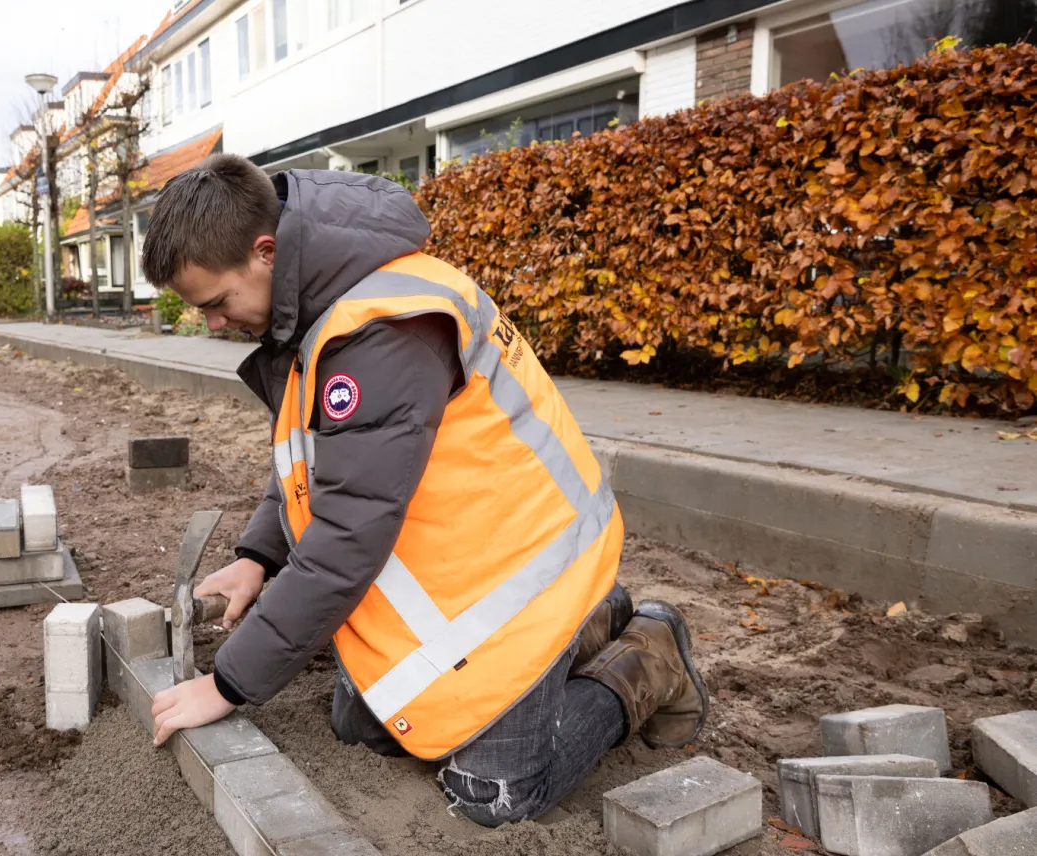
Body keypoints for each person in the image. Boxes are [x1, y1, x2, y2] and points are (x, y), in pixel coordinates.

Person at [140, 154, 708, 826]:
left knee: (492, 793)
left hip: (529, 574)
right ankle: (597, 621)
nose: (212, 324)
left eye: (216, 303)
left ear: (266, 252)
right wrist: (257, 558)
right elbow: (318, 455)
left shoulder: (382, 332)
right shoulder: (320, 304)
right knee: (363, 724)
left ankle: (649, 654)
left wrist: (228, 683)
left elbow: (349, 535)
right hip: (471, 561)